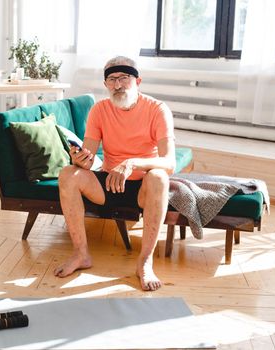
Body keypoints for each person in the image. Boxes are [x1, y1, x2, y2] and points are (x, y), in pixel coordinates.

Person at [54, 56, 176, 291]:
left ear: (137, 81)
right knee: (69, 173)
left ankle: (145, 262)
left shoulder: (158, 109)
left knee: (160, 176)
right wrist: (80, 159)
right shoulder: (99, 110)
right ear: (106, 84)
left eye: (124, 78)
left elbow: (169, 162)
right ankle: (81, 255)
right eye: (112, 79)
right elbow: (88, 160)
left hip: (142, 188)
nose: (118, 84)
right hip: (108, 183)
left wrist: (131, 163)